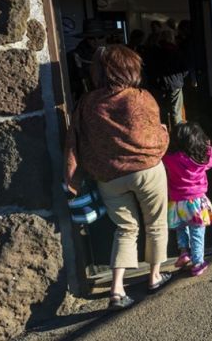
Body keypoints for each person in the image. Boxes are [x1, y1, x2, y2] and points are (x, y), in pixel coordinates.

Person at [63, 45, 172, 310]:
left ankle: (116, 289)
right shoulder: (140, 97)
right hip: (147, 171)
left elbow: (80, 140)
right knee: (155, 223)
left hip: (109, 175)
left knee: (125, 229)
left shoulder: (87, 103)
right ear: (130, 69)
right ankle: (155, 276)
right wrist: (164, 134)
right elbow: (155, 134)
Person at [163, 122, 212, 277]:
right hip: (196, 202)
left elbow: (161, 156)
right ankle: (198, 263)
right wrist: (208, 146)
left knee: (181, 227)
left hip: (177, 202)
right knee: (197, 233)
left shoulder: (170, 159)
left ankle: (183, 252)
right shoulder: (202, 159)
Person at [145, 28, 190, 126]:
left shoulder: (154, 51)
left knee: (161, 111)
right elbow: (185, 69)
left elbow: (149, 68)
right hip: (175, 85)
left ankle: (164, 133)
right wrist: (178, 78)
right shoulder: (176, 51)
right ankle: (177, 135)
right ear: (171, 38)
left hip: (158, 85)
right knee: (176, 113)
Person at [65, 18, 111, 102]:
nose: (96, 41)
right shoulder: (74, 56)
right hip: (87, 102)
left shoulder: (112, 55)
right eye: (91, 38)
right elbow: (69, 85)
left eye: (100, 37)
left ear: (105, 37)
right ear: (86, 38)